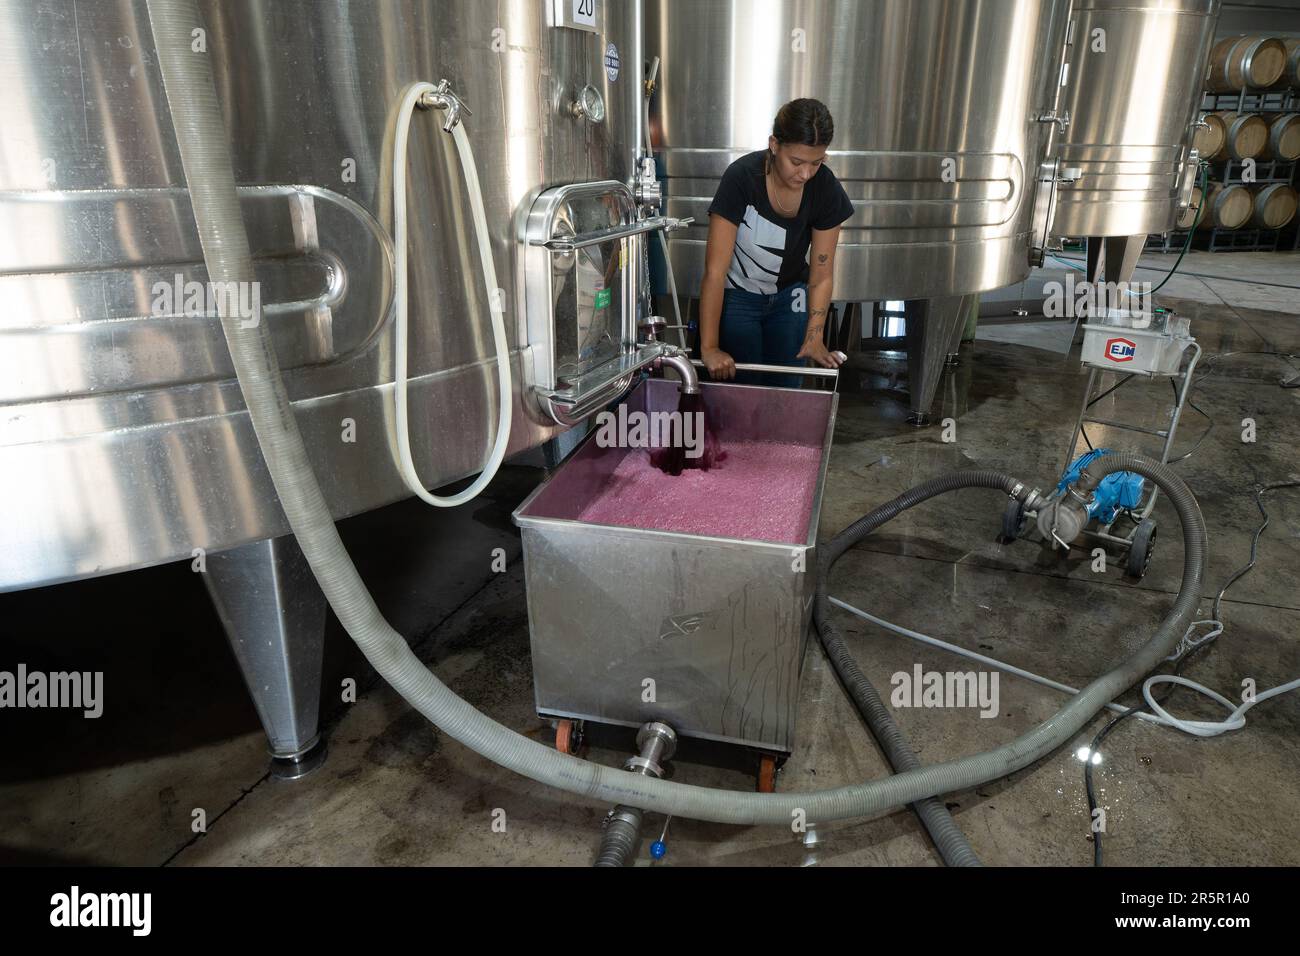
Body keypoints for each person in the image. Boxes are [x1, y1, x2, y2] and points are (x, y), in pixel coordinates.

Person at [699, 98, 853, 388]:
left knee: (785, 390)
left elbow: (821, 276)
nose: (805, 174)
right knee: (741, 390)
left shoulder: (825, 187)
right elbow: (715, 272)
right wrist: (710, 348)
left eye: (816, 163)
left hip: (790, 297)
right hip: (738, 295)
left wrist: (815, 336)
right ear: (774, 145)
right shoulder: (742, 177)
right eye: (796, 162)